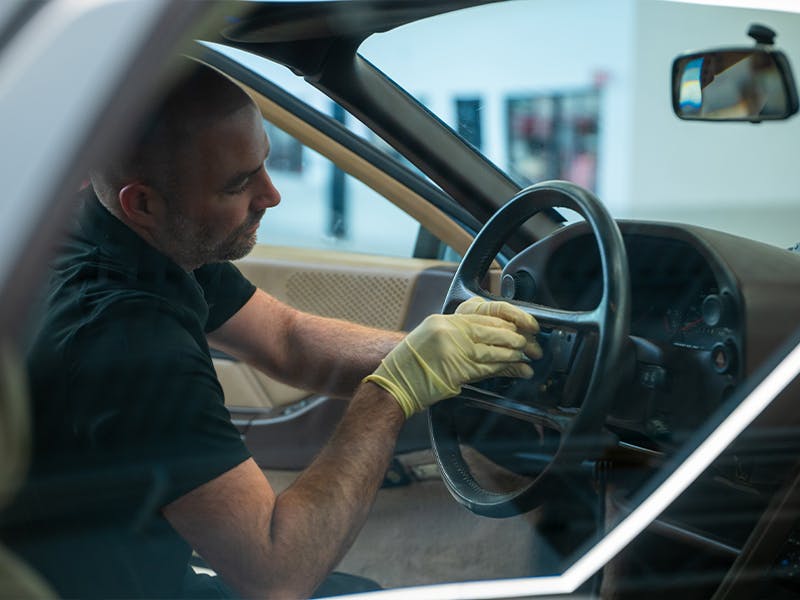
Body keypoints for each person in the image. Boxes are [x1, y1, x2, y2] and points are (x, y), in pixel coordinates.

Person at [2, 61, 542, 599]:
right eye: (239, 184)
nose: (271, 195)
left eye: (263, 164)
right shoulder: (129, 337)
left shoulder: (121, 231)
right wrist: (394, 391)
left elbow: (286, 340)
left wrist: (445, 352)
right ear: (142, 202)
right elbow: (276, 574)